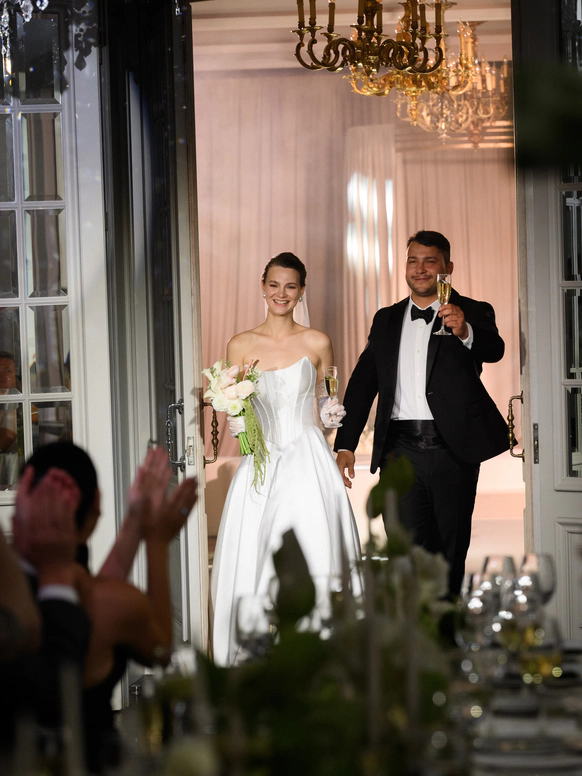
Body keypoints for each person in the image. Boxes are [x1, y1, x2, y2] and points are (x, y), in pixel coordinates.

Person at [335, 231, 509, 596]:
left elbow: (494, 349)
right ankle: (410, 629)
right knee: (402, 551)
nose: (420, 269)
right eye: (413, 261)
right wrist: (345, 443)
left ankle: (446, 628)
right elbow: (363, 382)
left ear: (448, 267)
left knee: (448, 553)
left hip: (453, 450)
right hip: (399, 452)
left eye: (430, 261)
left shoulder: (472, 310)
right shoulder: (386, 319)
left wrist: (465, 331)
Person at [211, 252, 361, 666]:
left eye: (290, 286)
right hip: (260, 460)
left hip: (307, 456)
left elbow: (327, 400)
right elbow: (236, 406)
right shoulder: (240, 344)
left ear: (301, 292)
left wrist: (332, 414)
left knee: (313, 544)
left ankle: (320, 653)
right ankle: (256, 651)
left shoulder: (318, 342)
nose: (281, 293)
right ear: (262, 287)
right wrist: (238, 422)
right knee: (256, 547)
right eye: (274, 285)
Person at [20, 443, 198, 773]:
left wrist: (134, 520)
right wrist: (156, 540)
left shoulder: (18, 592)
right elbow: (160, 649)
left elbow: (92, 595)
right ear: (95, 510)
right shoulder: (112, 605)